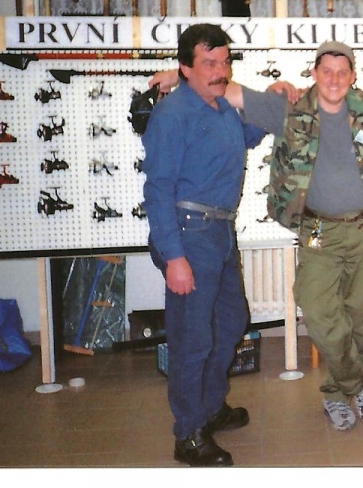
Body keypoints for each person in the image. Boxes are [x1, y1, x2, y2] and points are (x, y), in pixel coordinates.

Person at [151, 41, 363, 433]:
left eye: (342, 72)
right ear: (314, 73)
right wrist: (179, 76)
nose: (334, 79)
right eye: (327, 71)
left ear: (353, 76)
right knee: (317, 311)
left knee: (361, 321)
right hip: (317, 230)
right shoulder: (288, 108)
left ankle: (336, 393)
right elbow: (223, 88)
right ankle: (359, 377)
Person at [142, 24, 266, 467]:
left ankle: (211, 407)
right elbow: (158, 189)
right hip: (189, 233)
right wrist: (174, 256)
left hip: (220, 233)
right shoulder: (172, 114)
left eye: (225, 62)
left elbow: (253, 133)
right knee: (192, 338)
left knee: (231, 322)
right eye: (209, 63)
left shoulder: (223, 108)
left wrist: (268, 97)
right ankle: (188, 434)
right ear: (185, 68)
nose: (220, 71)